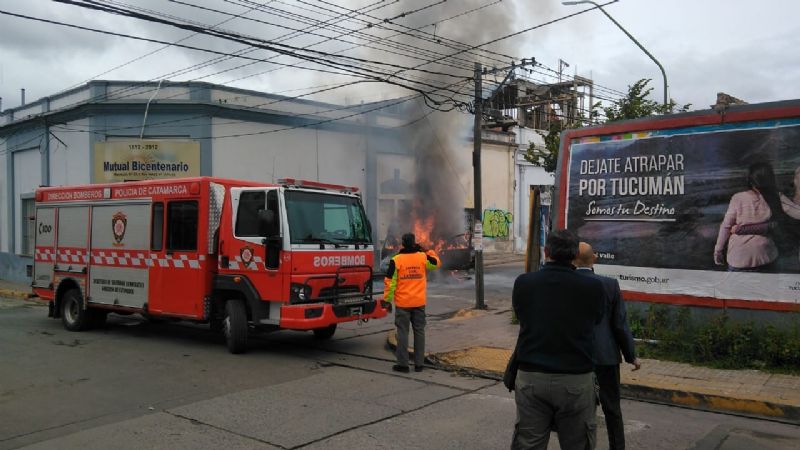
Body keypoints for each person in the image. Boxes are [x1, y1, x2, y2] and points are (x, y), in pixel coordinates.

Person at [511, 229, 605, 450]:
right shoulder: (593, 287)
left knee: (528, 444)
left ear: (546, 251)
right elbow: (596, 320)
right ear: (575, 256)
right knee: (578, 444)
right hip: (575, 379)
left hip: (531, 377)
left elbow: (521, 316)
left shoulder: (524, 282)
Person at [574, 242, 641, 450]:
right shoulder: (610, 285)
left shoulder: (567, 284)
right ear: (594, 258)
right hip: (606, 356)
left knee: (580, 411)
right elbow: (620, 325)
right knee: (612, 409)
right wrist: (631, 355)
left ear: (573, 260)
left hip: (577, 358)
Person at [384, 233, 440, 373]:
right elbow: (436, 263)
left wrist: (387, 301)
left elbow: (390, 283)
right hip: (419, 302)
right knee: (419, 332)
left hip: (403, 303)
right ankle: (419, 364)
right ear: (414, 243)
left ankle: (403, 365)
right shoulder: (422, 257)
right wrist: (428, 251)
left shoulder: (396, 260)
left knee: (403, 332)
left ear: (402, 244)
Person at [714, 162, 784, 271]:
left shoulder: (738, 198)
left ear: (750, 180)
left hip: (739, 257)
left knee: (736, 288)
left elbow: (726, 226)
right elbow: (779, 223)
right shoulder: (775, 197)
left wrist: (718, 250)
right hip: (766, 255)